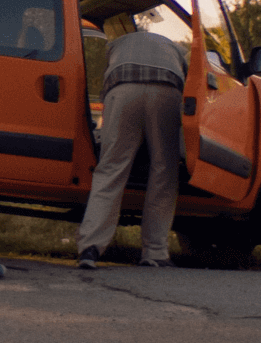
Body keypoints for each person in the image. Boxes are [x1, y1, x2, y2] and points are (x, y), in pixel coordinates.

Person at [76, 14, 190, 269]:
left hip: (122, 87)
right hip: (166, 89)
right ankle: (155, 253)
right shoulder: (176, 48)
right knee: (163, 171)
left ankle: (90, 248)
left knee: (111, 169)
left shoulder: (117, 45)